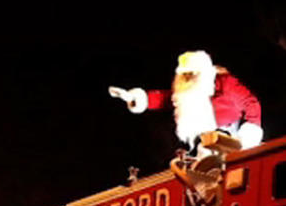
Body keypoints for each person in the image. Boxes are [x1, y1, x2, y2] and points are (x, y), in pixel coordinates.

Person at [109, 50, 264, 156]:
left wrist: (250, 134)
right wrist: (137, 98)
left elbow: (252, 103)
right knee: (205, 163)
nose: (188, 78)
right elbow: (168, 99)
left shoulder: (225, 83)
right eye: (184, 74)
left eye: (191, 74)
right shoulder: (185, 91)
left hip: (232, 134)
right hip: (205, 139)